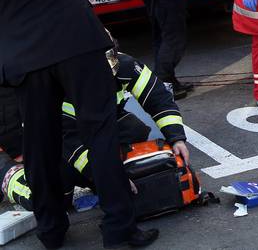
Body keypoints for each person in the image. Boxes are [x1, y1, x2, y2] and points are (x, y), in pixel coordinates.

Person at [0, 0, 157, 248]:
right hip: (78, 46)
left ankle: (51, 231)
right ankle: (120, 229)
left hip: (22, 57)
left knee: (38, 144)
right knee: (100, 133)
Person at [3, 40, 189, 215]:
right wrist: (107, 176)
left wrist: (176, 137)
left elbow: (158, 98)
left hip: (97, 128)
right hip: (59, 142)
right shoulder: (58, 87)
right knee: (55, 202)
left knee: (134, 130)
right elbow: (69, 143)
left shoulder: (123, 65)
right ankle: (9, 174)